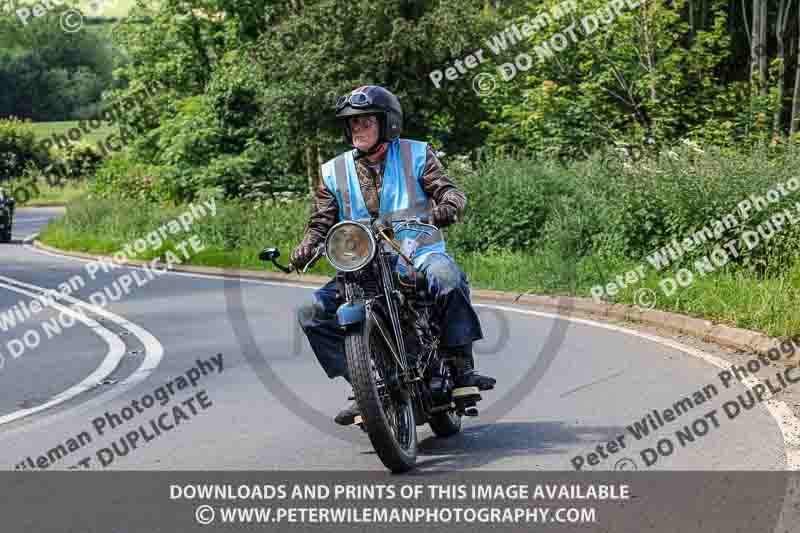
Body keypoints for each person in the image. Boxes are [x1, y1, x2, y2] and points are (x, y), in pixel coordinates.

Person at [292, 85, 495, 426]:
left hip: (417, 251)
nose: (357, 128)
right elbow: (321, 221)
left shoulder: (416, 154)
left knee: (447, 278)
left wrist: (448, 206)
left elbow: (448, 189)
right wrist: (306, 246)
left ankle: (461, 369)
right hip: (362, 263)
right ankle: (363, 384)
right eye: (352, 123)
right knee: (311, 312)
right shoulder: (333, 171)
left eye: (365, 121)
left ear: (388, 123)